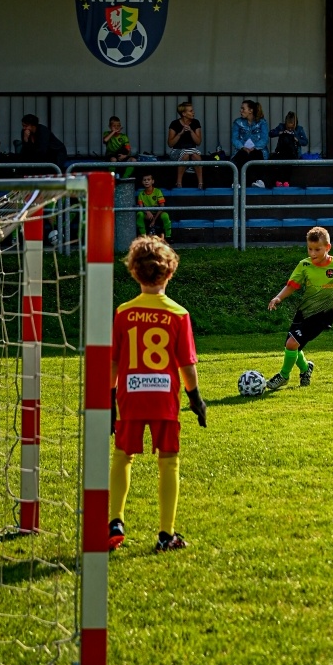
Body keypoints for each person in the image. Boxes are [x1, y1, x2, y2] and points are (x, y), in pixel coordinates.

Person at [108, 236, 207, 553]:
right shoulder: (178, 314)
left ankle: (115, 520)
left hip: (130, 396)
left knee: (123, 456)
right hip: (164, 399)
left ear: (134, 273)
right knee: (168, 462)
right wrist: (196, 399)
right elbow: (186, 365)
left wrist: (110, 398)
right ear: (170, 273)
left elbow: (113, 361)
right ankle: (166, 534)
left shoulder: (124, 312)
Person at [265, 225, 333, 391]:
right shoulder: (304, 265)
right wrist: (278, 297)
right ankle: (305, 368)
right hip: (304, 312)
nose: (313, 253)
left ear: (328, 248)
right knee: (292, 346)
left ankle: (284, 376)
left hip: (322, 315)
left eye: (318, 249)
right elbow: (292, 285)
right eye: (310, 249)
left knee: (292, 343)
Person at [231, 99, 269, 187]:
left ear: (250, 111)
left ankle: (259, 181)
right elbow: (234, 139)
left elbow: (264, 138)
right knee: (241, 156)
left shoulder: (262, 122)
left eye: (243, 109)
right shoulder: (237, 122)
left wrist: (255, 147)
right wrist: (242, 147)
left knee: (256, 155)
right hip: (242, 150)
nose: (241, 111)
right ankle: (238, 182)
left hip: (258, 150)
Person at [167, 101, 203, 189]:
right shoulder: (174, 124)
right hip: (177, 151)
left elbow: (198, 142)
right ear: (183, 113)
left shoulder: (195, 123)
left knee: (196, 156)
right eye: (191, 111)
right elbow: (170, 144)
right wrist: (180, 133)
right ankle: (179, 183)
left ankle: (201, 184)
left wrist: (191, 131)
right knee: (185, 154)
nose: (193, 112)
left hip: (192, 150)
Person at [270, 110, 308, 186]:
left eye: (292, 128)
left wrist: (297, 139)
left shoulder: (299, 129)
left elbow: (305, 141)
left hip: (293, 152)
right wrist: (280, 132)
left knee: (288, 161)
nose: (290, 129)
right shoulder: (281, 127)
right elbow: (271, 133)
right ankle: (279, 180)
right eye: (288, 127)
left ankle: (286, 181)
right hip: (281, 152)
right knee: (279, 160)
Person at [136, 173, 172, 240]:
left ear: (152, 181)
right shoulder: (141, 194)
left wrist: (154, 220)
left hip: (158, 213)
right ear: (142, 182)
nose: (146, 181)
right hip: (148, 214)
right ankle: (143, 237)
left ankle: (168, 237)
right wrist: (147, 211)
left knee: (165, 215)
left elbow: (162, 206)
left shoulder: (158, 191)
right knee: (139, 214)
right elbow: (141, 207)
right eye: (144, 180)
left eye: (148, 179)